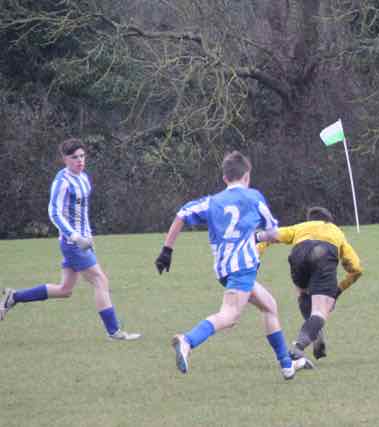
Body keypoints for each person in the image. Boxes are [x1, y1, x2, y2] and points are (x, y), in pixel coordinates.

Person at [155, 150, 308, 379]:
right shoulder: (254, 197)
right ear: (247, 176)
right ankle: (187, 340)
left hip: (224, 269)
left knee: (269, 306)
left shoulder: (212, 202)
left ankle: (287, 366)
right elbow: (273, 232)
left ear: (225, 178)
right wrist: (260, 236)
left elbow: (182, 214)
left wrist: (167, 251)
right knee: (229, 316)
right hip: (242, 268)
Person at [0, 138, 141, 341]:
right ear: (65, 159)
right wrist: (75, 237)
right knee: (100, 280)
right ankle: (114, 332)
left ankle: (14, 297)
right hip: (72, 244)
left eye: (82, 156)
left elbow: (82, 213)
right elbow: (54, 213)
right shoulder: (62, 182)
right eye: (75, 157)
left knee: (65, 290)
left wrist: (88, 236)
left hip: (82, 242)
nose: (80, 160)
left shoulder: (84, 178)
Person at [257, 206, 363, 361]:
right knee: (320, 311)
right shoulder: (336, 231)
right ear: (329, 221)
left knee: (303, 293)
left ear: (309, 220)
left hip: (299, 255)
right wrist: (338, 290)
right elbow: (356, 268)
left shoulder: (300, 227)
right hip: (324, 253)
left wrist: (257, 253)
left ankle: (315, 332)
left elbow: (269, 236)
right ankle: (299, 345)